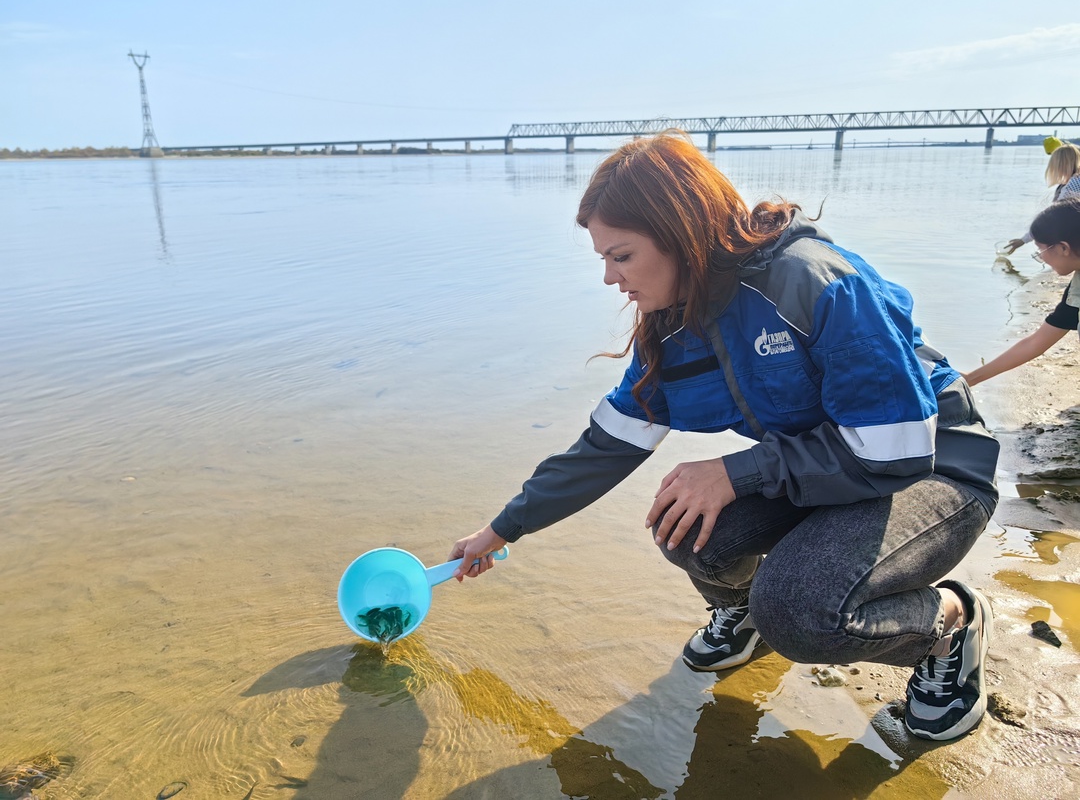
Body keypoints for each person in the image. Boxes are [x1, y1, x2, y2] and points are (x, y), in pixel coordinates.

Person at [450, 131, 1000, 742]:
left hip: (932, 466)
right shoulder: (675, 324)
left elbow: (894, 449)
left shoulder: (810, 281)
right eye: (603, 258)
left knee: (797, 609)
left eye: (622, 255)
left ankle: (950, 624)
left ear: (681, 232)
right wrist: (499, 531)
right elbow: (605, 447)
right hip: (834, 469)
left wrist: (737, 472)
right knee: (684, 523)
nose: (609, 277)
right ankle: (744, 615)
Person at [966, 198, 1080, 386]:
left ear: (1063, 248)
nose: (1041, 257)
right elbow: (1035, 342)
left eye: (1040, 250)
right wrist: (972, 378)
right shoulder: (1075, 293)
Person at [1002, 142, 1080, 254]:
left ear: (1060, 165)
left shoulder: (1071, 186)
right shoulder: (1076, 181)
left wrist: (1023, 240)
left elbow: (1052, 218)